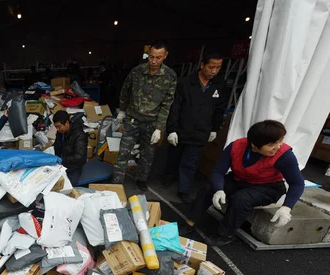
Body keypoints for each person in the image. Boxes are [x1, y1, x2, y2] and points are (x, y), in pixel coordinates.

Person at [186, 120, 304, 246]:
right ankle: (190, 222)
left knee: (241, 199)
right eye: (272, 144)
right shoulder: (236, 146)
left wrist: (287, 207)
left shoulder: (285, 155)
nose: (278, 146)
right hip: (239, 179)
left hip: (268, 187)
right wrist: (219, 190)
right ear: (254, 145)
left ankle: (226, 234)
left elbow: (297, 183)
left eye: (280, 141)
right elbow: (218, 171)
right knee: (209, 187)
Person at [163, 52, 226, 203]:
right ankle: (168, 177)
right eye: (211, 67)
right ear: (202, 65)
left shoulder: (219, 85)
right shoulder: (185, 83)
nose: (214, 71)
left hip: (201, 131)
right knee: (174, 156)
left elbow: (219, 109)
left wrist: (214, 129)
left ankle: (183, 190)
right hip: (182, 128)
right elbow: (175, 107)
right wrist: (171, 129)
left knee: (189, 162)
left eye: (218, 68)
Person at [114, 40, 177, 190]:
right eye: (151, 57)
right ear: (148, 55)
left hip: (152, 123)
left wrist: (159, 128)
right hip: (133, 120)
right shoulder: (136, 71)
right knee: (123, 152)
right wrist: (122, 110)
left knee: (147, 154)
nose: (154, 61)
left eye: (158, 57)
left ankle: (141, 179)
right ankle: (116, 182)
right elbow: (125, 91)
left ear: (165, 56)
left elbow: (167, 103)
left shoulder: (170, 76)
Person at [53, 110, 87, 186]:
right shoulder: (60, 133)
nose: (57, 129)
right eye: (56, 127)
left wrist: (62, 160)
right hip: (61, 164)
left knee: (68, 186)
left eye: (59, 126)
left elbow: (79, 157)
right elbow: (57, 147)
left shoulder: (79, 135)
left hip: (74, 166)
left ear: (67, 123)